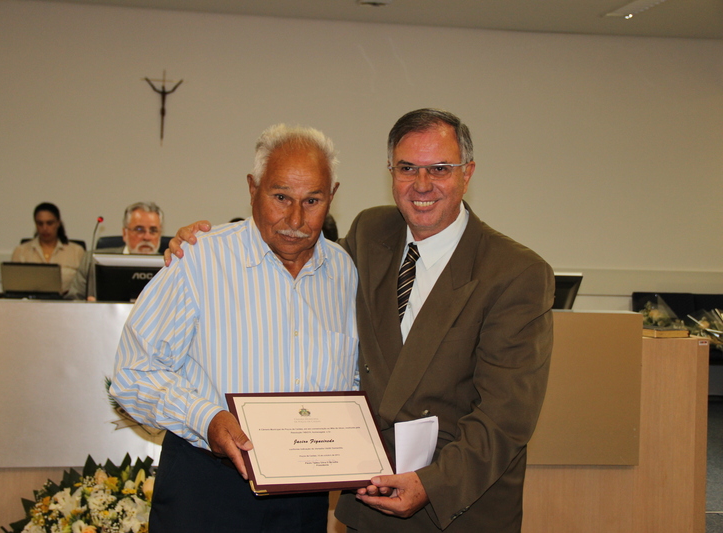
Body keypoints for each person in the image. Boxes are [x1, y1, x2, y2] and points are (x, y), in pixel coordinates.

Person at [167, 109, 554, 532]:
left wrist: (432, 484)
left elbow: (506, 418)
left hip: (454, 507)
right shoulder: (371, 232)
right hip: (370, 505)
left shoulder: (516, 273)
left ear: (467, 173)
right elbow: (296, 255)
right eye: (407, 168)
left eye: (440, 168)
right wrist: (204, 245)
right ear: (391, 172)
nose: (422, 184)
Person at [110, 124, 359, 533]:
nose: (296, 219)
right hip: (207, 488)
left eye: (312, 201)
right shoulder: (200, 259)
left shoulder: (344, 272)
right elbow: (132, 373)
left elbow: (352, 379)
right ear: (253, 188)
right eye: (281, 197)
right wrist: (206, 418)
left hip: (304, 499)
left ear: (332, 196)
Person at [65, 201, 164, 300]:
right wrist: (88, 306)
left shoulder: (169, 265)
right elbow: (72, 300)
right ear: (125, 233)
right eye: (139, 230)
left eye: (153, 230)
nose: (147, 237)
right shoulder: (90, 261)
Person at [11, 202, 84, 294]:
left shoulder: (76, 251)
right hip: (30, 300)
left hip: (66, 301)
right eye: (40, 223)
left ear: (58, 223)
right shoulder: (21, 251)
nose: (44, 228)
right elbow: (14, 286)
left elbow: (83, 287)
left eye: (49, 223)